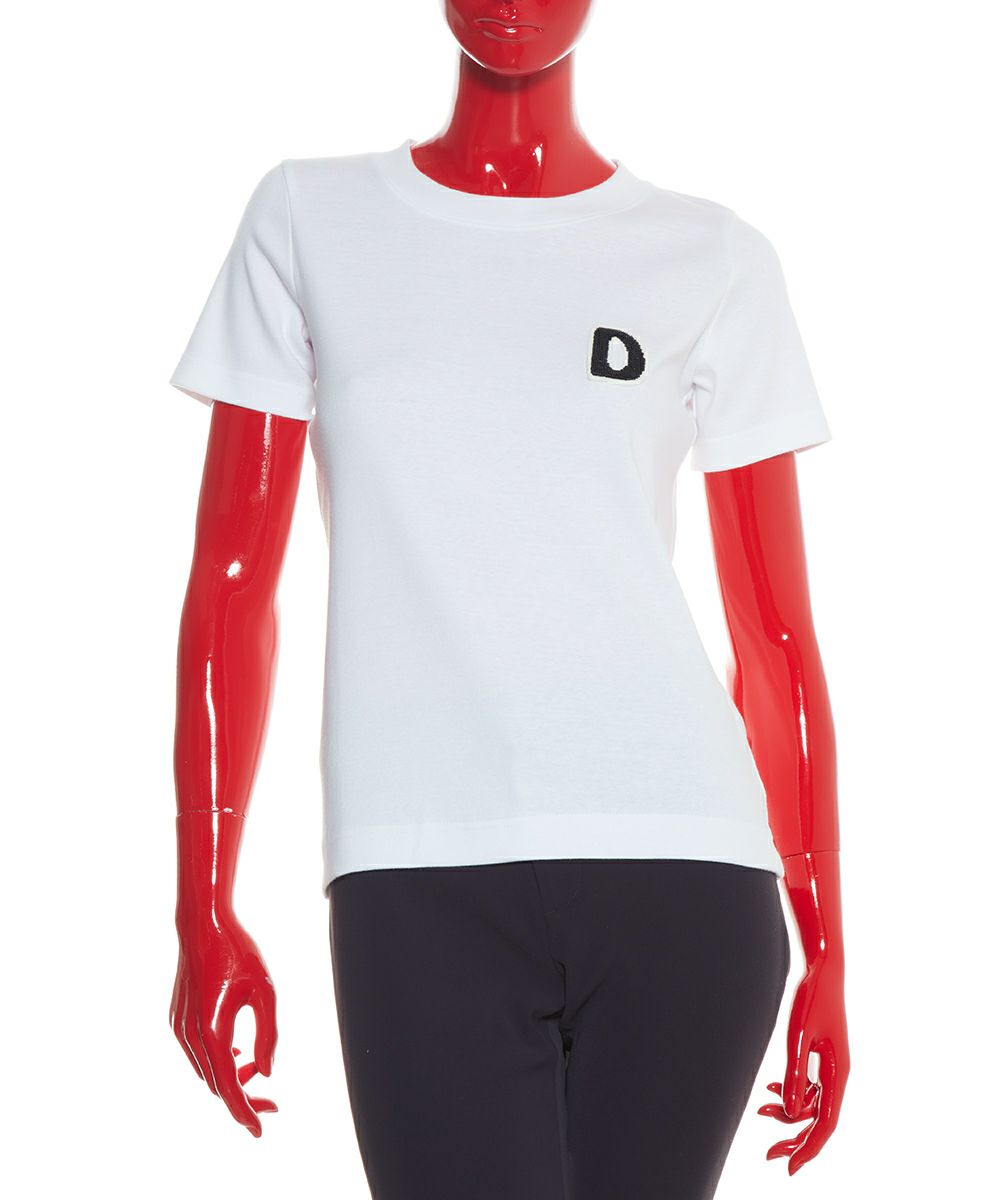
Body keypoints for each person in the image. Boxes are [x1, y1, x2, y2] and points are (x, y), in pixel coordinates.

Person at [168, 3, 850, 1196]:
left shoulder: (710, 255)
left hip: (684, 866)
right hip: (415, 869)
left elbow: (775, 633)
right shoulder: (309, 220)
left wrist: (827, 946)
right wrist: (200, 903)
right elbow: (232, 584)